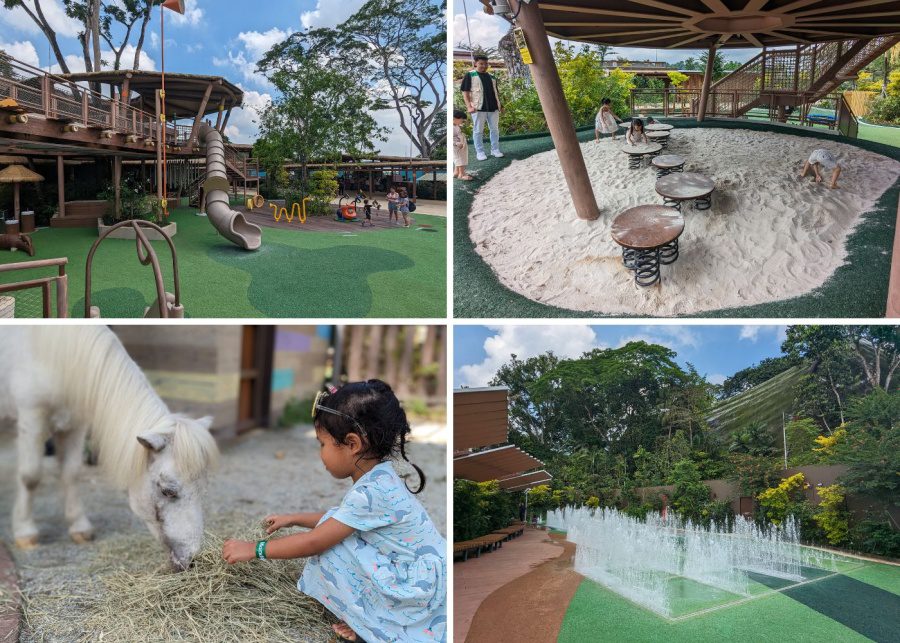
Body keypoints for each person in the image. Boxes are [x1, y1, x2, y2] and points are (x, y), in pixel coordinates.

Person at [222, 381, 447, 643]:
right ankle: (374, 620)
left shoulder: (371, 492)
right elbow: (339, 520)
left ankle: (377, 627)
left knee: (332, 550)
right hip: (418, 576)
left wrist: (254, 549)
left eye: (322, 444)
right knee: (337, 534)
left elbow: (315, 541)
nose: (321, 454)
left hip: (417, 591)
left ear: (352, 444)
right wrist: (293, 518)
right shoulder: (379, 478)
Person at [461, 55, 503, 161]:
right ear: (475, 63)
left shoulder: (492, 77)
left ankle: (495, 150)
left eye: (486, 64)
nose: (484, 66)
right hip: (478, 107)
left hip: (493, 107)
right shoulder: (470, 75)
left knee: (494, 129)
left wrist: (500, 105)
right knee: (478, 131)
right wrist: (469, 106)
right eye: (481, 64)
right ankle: (479, 152)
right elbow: (465, 92)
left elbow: (496, 92)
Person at [453, 109, 473, 181]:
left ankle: (456, 172)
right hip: (457, 146)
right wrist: (456, 143)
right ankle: (461, 174)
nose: (462, 121)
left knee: (459, 158)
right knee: (459, 159)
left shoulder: (456, 125)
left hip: (460, 145)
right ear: (454, 118)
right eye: (461, 119)